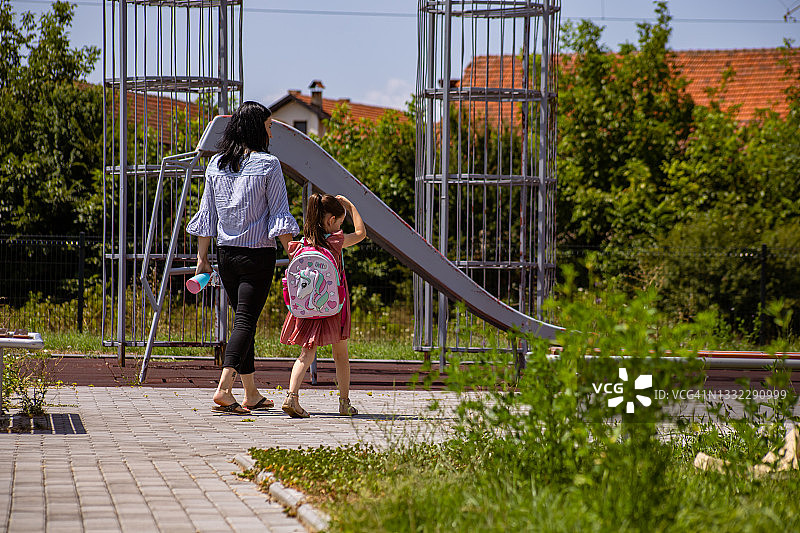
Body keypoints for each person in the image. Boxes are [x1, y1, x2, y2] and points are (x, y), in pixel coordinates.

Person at [187, 101, 300, 414]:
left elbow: (207, 215)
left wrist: (202, 258)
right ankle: (224, 388)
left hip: (225, 256)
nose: (271, 134)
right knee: (246, 320)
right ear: (255, 128)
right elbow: (278, 214)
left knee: (242, 320)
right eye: (268, 127)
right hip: (256, 255)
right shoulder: (268, 164)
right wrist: (295, 252)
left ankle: (250, 393)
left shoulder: (216, 164)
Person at [280, 193, 366, 417]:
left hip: (308, 307)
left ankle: (292, 396)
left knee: (306, 353)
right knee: (341, 355)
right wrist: (349, 205)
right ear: (331, 221)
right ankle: (344, 403)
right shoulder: (335, 241)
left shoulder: (299, 245)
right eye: (338, 221)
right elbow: (361, 233)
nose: (339, 227)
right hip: (333, 307)